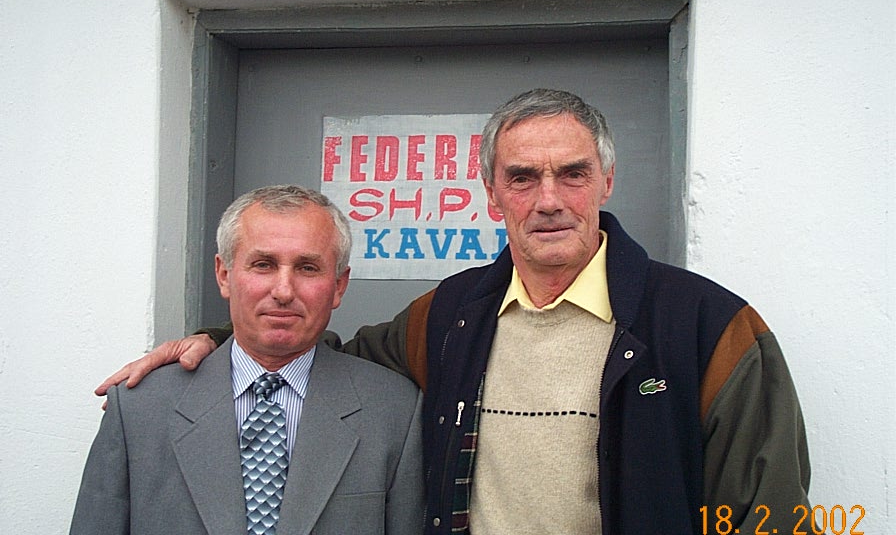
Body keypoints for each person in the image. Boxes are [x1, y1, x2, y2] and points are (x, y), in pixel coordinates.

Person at [98, 90, 813, 534]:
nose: (550, 198)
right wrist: (219, 340)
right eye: (522, 177)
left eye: (572, 172)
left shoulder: (708, 328)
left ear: (606, 179)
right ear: (491, 193)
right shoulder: (449, 317)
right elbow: (320, 350)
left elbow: (769, 516)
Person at [74, 185, 424, 535]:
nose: (284, 291)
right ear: (224, 274)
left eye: (307, 268)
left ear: (339, 286)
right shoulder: (140, 408)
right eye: (263, 264)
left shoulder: (395, 411)